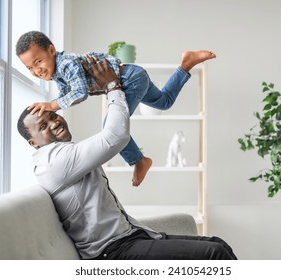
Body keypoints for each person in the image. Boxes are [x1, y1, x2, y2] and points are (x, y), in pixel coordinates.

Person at [17, 56, 237, 260]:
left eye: (53, 115)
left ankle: (184, 68)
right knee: (214, 253)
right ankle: (140, 159)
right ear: (33, 142)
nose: (55, 122)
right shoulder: (55, 161)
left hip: (130, 237)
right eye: (43, 126)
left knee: (218, 244)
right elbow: (115, 136)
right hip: (111, 253)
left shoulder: (63, 154)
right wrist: (112, 87)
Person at [15, 30, 216, 187]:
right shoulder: (57, 74)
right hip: (134, 76)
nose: (36, 70)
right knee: (164, 102)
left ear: (51, 50)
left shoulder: (65, 64)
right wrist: (51, 111)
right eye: (30, 68)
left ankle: (139, 161)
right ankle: (186, 64)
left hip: (129, 79)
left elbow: (79, 93)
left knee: (111, 124)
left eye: (38, 61)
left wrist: (51, 105)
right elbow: (66, 96)